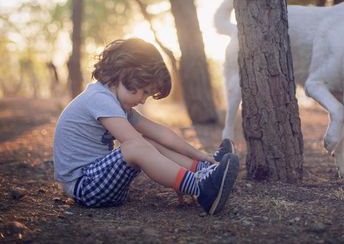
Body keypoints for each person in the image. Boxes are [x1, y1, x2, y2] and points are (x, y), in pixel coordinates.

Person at [53, 38, 239, 215]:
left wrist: (198, 154)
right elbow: (134, 143)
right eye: (144, 92)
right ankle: (201, 188)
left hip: (100, 181)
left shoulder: (114, 102)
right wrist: (180, 180)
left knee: (147, 141)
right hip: (85, 187)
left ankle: (204, 169)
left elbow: (160, 133)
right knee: (137, 145)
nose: (142, 100)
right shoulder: (98, 99)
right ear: (125, 74)